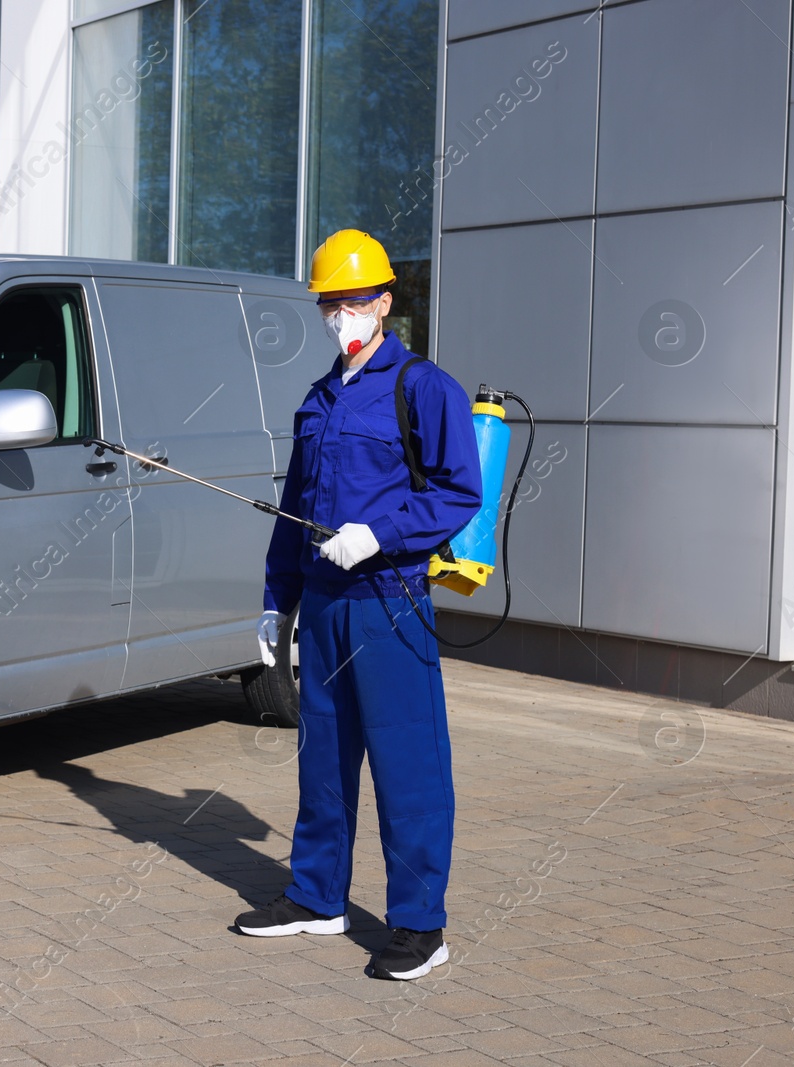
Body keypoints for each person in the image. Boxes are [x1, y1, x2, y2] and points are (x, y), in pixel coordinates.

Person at [233, 229, 482, 982]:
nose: (340, 315)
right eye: (329, 304)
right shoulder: (320, 399)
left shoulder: (423, 388)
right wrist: (278, 602)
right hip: (327, 604)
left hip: (390, 601)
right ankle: (317, 897)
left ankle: (419, 923)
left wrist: (379, 535)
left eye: (352, 301)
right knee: (325, 761)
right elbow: (292, 509)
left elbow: (457, 493)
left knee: (408, 766)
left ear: (384, 301)